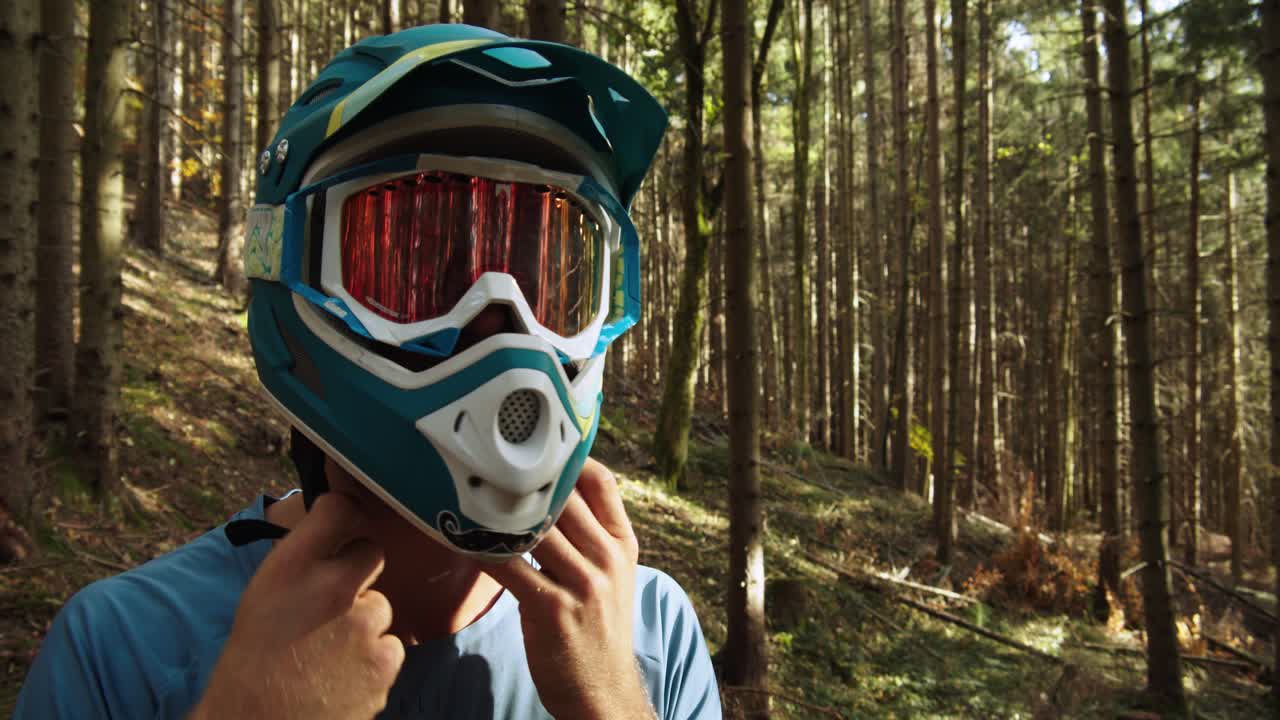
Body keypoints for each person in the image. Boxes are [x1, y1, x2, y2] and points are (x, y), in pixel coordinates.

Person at [16, 24, 721, 720]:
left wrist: (616, 705)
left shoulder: (649, 637)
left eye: (547, 282)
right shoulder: (123, 652)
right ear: (292, 270)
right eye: (418, 271)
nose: (504, 336)